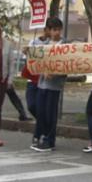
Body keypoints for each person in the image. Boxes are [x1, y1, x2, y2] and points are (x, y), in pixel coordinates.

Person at [32, 17, 67, 151]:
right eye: (53, 30)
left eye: (58, 29)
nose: (56, 32)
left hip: (55, 84)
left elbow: (67, 64)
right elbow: (34, 57)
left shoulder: (64, 45)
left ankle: (49, 139)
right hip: (42, 83)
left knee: (50, 113)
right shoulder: (43, 43)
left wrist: (55, 72)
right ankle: (41, 135)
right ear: (48, 30)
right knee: (41, 111)